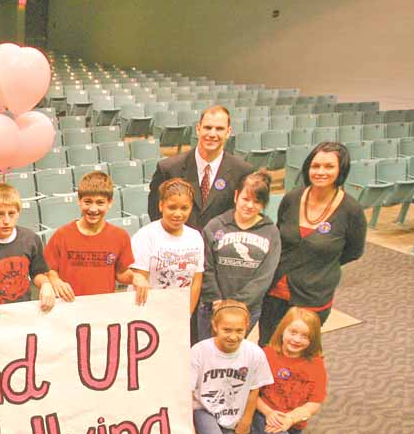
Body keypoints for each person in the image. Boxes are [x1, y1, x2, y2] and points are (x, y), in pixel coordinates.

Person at [258, 141, 366, 344]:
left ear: (341, 170)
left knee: (299, 351)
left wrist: (320, 265)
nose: (320, 172)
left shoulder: (351, 210)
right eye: (315, 166)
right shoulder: (292, 198)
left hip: (313, 295)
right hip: (275, 292)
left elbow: (353, 251)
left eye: (329, 166)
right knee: (267, 347)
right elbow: (281, 238)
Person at [172, 300, 273, 434]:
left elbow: (255, 388)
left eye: (239, 330)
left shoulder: (255, 354)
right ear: (215, 326)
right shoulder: (199, 351)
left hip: (231, 411)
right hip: (203, 407)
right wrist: (189, 428)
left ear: (247, 328)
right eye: (227, 329)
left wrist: (246, 418)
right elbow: (185, 391)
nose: (233, 336)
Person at [241, 307, 327, 434]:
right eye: (293, 332)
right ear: (282, 330)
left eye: (305, 336)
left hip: (292, 420)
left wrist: (290, 418)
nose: (297, 339)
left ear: (313, 339)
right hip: (264, 411)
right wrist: (270, 413)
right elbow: (250, 392)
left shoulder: (316, 364)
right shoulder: (266, 355)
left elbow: (315, 402)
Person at [44, 171, 150, 304]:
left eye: (100, 203)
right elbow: (48, 269)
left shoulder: (119, 236)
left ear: (110, 202)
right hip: (69, 307)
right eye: (87, 202)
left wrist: (135, 277)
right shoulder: (62, 235)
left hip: (103, 307)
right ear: (79, 201)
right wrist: (55, 280)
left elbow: (120, 273)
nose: (93, 209)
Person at [198, 171, 281, 340]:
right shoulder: (215, 226)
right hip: (211, 306)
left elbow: (264, 276)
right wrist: (216, 300)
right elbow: (205, 266)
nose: (250, 205)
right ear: (236, 196)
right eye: (245, 199)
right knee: (207, 355)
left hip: (247, 309)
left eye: (257, 201)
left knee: (233, 355)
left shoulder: (271, 232)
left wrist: (235, 304)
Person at [147, 105, 253, 231]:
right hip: (180, 247)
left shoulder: (242, 171)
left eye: (219, 129)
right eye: (208, 128)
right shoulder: (168, 168)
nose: (212, 134)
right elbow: (155, 212)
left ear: (228, 132)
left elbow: (243, 215)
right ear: (198, 129)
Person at [0, 182, 55, 311]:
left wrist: (45, 283)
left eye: (11, 213)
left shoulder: (31, 239)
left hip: (23, 311)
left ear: (18, 212)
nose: (6, 221)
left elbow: (37, 273)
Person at [129, 178, 204, 315]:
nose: (178, 214)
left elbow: (196, 282)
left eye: (184, 208)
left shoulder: (195, 237)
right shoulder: (145, 236)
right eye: (172, 207)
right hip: (149, 311)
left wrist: (187, 314)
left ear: (191, 208)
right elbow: (139, 282)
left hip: (180, 312)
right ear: (161, 205)